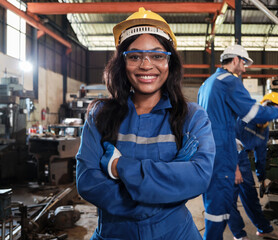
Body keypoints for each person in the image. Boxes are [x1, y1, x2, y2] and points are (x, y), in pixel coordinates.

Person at [76, 7, 215, 240]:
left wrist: (119, 166)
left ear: (169, 62)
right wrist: (153, 205)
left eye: (158, 55)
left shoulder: (192, 117)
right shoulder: (100, 115)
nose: (146, 65)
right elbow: (87, 182)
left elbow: (199, 176)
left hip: (176, 234)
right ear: (123, 62)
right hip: (114, 234)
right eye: (135, 56)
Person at [197, 44, 278, 240]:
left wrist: (261, 175)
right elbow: (253, 113)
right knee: (220, 209)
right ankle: (233, 235)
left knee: (217, 206)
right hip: (223, 154)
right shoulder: (229, 81)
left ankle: (254, 230)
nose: (245, 68)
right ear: (235, 60)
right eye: (244, 63)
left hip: (209, 153)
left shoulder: (207, 83)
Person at [228, 92, 278, 240]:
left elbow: (261, 155)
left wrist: (262, 178)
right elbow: (230, 139)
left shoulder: (264, 129)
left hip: (243, 158)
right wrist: (235, 168)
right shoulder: (246, 117)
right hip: (228, 156)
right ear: (264, 105)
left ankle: (264, 229)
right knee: (229, 199)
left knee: (251, 196)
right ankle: (239, 235)